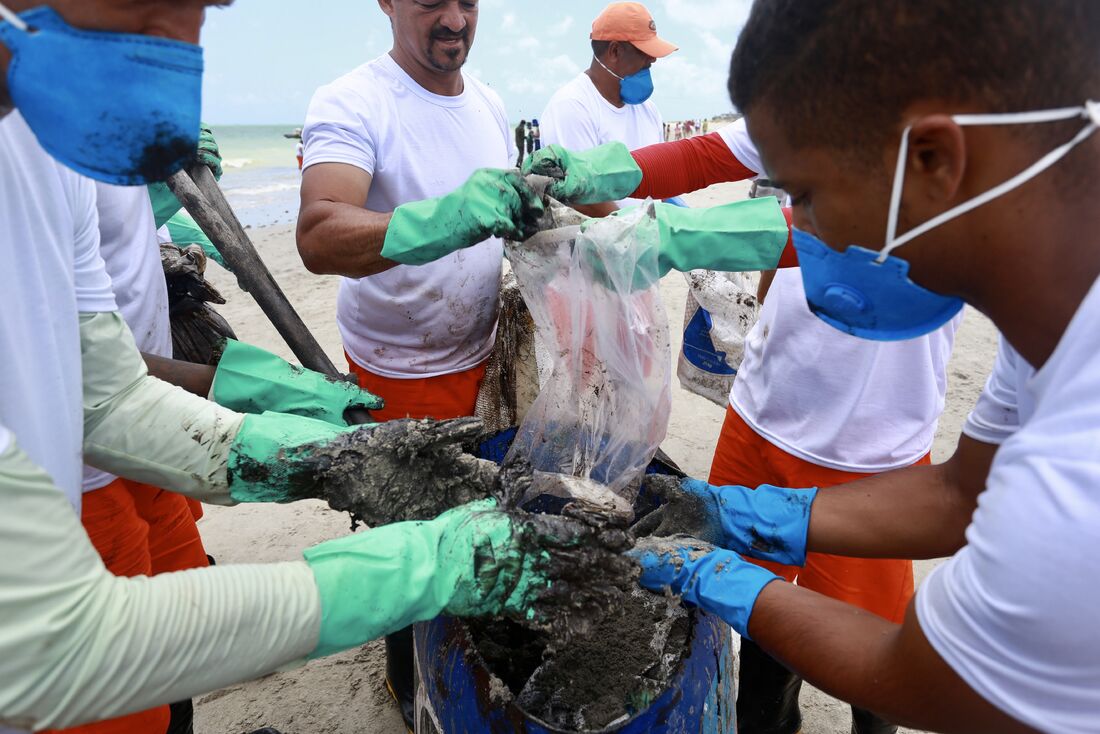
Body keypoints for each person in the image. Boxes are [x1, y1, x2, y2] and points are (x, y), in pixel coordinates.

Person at [0, 2, 624, 732]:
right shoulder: (353, 101)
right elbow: (53, 649)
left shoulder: (44, 141)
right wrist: (429, 565)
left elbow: (102, 396)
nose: (188, 36)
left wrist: (317, 455)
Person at [624, 1, 1100, 732]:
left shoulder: (1076, 472)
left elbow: (919, 681)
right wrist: (734, 512)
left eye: (805, 199)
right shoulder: (1045, 327)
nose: (794, 234)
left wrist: (706, 571)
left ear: (934, 160)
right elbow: (960, 498)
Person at [527, 116, 961, 732]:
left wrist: (677, 236)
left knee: (876, 647)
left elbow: (850, 232)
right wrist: (598, 172)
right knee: (759, 613)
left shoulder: (966, 127)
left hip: (872, 448)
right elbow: (704, 155)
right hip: (761, 419)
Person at [294, 0, 542, 725]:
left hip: (484, 354)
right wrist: (451, 216)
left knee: (482, 514)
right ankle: (409, 679)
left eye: (468, 2)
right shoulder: (353, 100)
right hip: (397, 368)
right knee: (410, 538)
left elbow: (504, 213)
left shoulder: (490, 102)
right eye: (431, 0)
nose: (454, 20)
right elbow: (318, 232)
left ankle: (461, 647)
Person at [538, 1, 676, 217]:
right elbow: (583, 197)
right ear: (615, 51)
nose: (653, 59)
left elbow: (660, 180)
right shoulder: (572, 107)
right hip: (603, 244)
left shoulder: (648, 110)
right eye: (645, 52)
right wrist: (644, 234)